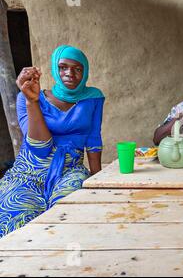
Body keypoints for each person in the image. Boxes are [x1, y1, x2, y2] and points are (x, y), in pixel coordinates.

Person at [0, 45, 105, 238]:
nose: (70, 73)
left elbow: (93, 138)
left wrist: (97, 181)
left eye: (77, 69)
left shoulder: (93, 98)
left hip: (69, 169)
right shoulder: (27, 97)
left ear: (85, 71)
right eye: (63, 67)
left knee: (68, 216)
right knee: (14, 217)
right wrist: (32, 101)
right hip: (29, 171)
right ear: (55, 69)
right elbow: (40, 148)